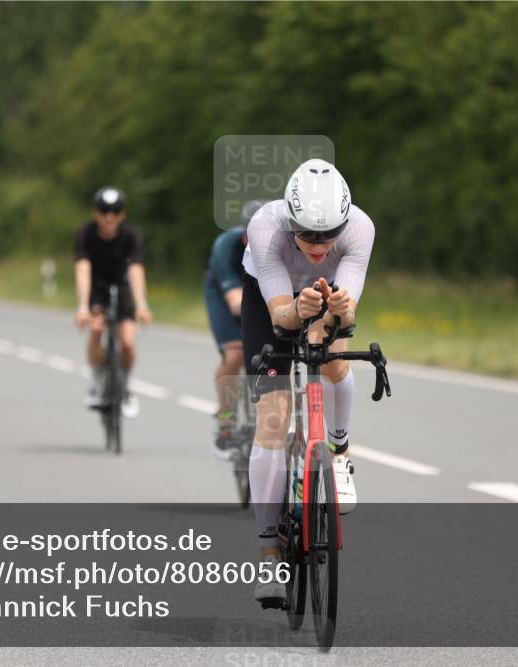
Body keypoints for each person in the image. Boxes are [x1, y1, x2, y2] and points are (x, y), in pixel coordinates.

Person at [242, 159, 375, 603]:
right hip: (271, 301)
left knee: (335, 359)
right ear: (292, 223)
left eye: (329, 235)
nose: (319, 245)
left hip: (323, 292)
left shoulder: (359, 229)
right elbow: (281, 314)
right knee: (273, 419)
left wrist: (339, 309)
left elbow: (349, 314)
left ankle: (338, 451)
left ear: (344, 222)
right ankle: (268, 555)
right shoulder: (267, 228)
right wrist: (298, 310)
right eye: (309, 235)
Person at [73, 186, 152, 418]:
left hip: (122, 286)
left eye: (115, 211)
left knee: (127, 342)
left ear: (122, 215)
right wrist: (83, 307)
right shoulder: (85, 235)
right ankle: (97, 383)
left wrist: (142, 305)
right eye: (104, 211)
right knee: (96, 329)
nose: (109, 216)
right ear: (96, 213)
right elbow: (82, 270)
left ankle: (126, 388)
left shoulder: (131, 235)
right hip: (97, 288)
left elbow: (136, 270)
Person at [204, 200, 265, 457]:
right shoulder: (225, 247)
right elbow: (236, 304)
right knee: (235, 354)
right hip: (224, 295)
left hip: (259, 295)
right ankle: (227, 418)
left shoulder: (278, 247)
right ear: (243, 234)